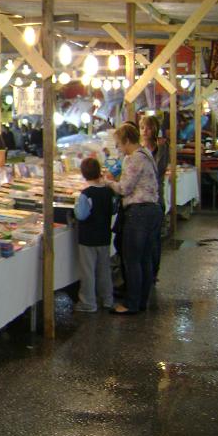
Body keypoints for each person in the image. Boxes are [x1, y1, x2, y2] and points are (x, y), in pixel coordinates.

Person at [105, 123, 162, 315]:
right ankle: (141, 300)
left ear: (127, 141)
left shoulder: (134, 158)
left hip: (139, 213)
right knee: (144, 259)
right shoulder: (146, 154)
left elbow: (124, 188)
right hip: (152, 210)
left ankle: (131, 303)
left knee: (132, 260)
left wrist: (108, 182)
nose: (119, 148)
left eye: (119, 144)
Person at [73, 157, 116, 313]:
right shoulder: (108, 191)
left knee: (88, 271)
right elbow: (113, 209)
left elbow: (81, 215)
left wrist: (75, 208)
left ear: (84, 174)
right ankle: (108, 299)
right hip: (104, 236)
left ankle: (88, 302)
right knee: (104, 270)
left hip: (88, 238)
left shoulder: (86, 194)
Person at [140, 115, 169, 279]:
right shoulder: (139, 149)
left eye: (149, 128)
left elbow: (157, 170)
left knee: (154, 238)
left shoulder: (161, 148)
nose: (145, 131)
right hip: (142, 198)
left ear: (155, 130)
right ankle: (145, 272)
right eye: (143, 128)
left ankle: (153, 272)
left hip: (156, 198)